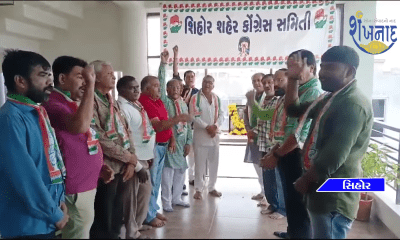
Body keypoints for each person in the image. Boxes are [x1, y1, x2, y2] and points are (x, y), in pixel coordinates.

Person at [288, 46, 373, 239]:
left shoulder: (352, 103)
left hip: (334, 194)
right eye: (322, 67)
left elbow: (334, 156)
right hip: (321, 189)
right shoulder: (331, 97)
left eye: (330, 68)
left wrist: (306, 179)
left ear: (349, 71)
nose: (322, 74)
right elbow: (294, 110)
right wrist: (293, 78)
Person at [42, 56, 114, 239]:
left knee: (82, 230)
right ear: (62, 79)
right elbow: (79, 126)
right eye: (80, 77)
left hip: (86, 182)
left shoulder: (71, 102)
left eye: (86, 77)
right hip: (75, 187)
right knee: (76, 233)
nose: (85, 82)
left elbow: (83, 138)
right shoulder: (54, 104)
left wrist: (98, 167)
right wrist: (91, 86)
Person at [0, 49, 68, 239]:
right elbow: (24, 175)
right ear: (20, 81)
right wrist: (53, 212)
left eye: (50, 76)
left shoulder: (37, 112)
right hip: (27, 225)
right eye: (43, 76)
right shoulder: (10, 118)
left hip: (47, 218)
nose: (50, 82)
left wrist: (59, 202)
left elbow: (48, 163)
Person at [263, 50, 323, 238]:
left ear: (311, 68)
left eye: (296, 66)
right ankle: (294, 232)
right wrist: (275, 150)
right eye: (289, 66)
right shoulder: (297, 90)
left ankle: (301, 235)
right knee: (291, 198)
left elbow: (299, 134)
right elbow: (285, 126)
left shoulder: (313, 92)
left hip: (298, 154)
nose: (291, 72)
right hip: (287, 151)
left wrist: (277, 155)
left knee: (299, 201)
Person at [139, 50, 191, 228]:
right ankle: (149, 214)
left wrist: (177, 139)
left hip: (164, 144)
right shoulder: (147, 101)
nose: (159, 87)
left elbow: (174, 126)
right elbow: (159, 126)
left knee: (158, 180)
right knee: (154, 181)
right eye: (156, 86)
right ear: (147, 89)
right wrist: (164, 63)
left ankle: (153, 210)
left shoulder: (159, 100)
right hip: (154, 146)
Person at [89, 60, 138, 239]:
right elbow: (99, 136)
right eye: (108, 74)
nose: (113, 76)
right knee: (104, 214)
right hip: (106, 167)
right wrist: (128, 157)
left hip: (124, 166)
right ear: (95, 77)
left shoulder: (111, 100)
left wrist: (132, 159)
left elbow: (126, 131)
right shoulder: (90, 100)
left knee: (117, 213)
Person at [117, 76, 154, 239]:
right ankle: (131, 232)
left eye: (137, 87)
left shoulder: (135, 105)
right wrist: (135, 163)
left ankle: (137, 225)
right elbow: (125, 137)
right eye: (132, 88)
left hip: (144, 156)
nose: (137, 91)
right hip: (134, 159)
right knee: (131, 198)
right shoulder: (123, 108)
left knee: (144, 192)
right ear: (122, 90)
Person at [159, 47, 193, 212]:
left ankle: (177, 198)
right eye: (172, 88)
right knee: (167, 174)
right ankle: (166, 202)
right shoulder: (165, 101)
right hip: (169, 143)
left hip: (181, 145)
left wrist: (189, 142)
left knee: (181, 172)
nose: (176, 90)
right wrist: (163, 64)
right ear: (167, 90)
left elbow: (187, 125)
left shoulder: (182, 103)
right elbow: (160, 79)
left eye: (178, 88)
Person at [250, 74, 286, 217]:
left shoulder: (279, 100)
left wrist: (251, 101)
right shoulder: (266, 100)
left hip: (275, 146)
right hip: (263, 145)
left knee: (277, 179)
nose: (266, 85)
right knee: (268, 178)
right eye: (264, 83)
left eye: (269, 82)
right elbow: (261, 121)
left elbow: (265, 116)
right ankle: (273, 204)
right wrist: (254, 131)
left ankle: (282, 209)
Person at [190, 75, 224, 200]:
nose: (207, 84)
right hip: (201, 137)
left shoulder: (216, 98)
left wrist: (215, 126)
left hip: (214, 136)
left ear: (213, 85)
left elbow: (221, 114)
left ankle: (212, 187)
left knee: (214, 163)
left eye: (210, 83)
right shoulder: (195, 98)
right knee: (199, 164)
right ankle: (198, 189)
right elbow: (194, 116)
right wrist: (207, 127)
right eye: (205, 82)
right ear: (202, 83)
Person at [172, 48, 199, 187]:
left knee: (193, 155)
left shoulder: (198, 93)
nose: (190, 79)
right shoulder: (179, 90)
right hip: (178, 127)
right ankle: (179, 182)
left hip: (192, 127)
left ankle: (192, 178)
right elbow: (175, 72)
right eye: (188, 77)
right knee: (179, 153)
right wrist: (176, 55)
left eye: (192, 77)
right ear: (184, 79)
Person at [243, 72, 267, 203]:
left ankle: (268, 195)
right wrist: (248, 129)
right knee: (257, 166)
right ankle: (263, 191)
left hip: (264, 136)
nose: (257, 83)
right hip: (253, 136)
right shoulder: (251, 96)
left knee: (265, 167)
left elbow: (265, 117)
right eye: (254, 81)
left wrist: (255, 131)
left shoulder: (269, 97)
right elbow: (246, 114)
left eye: (259, 80)